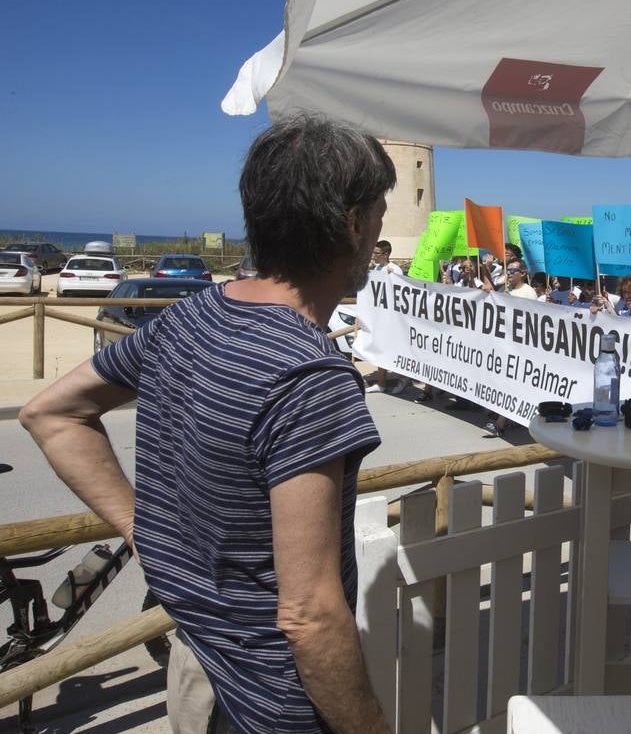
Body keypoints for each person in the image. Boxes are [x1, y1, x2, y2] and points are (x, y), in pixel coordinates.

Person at [20, 115, 394, 733]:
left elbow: (51, 412)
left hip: (197, 664)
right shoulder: (309, 375)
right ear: (353, 224)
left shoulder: (189, 316)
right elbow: (308, 614)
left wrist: (142, 526)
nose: (379, 228)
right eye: (379, 211)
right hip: (275, 703)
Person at [366, 240, 406, 395]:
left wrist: (391, 278)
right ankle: (381, 383)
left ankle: (403, 378)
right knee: (380, 349)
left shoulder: (394, 269)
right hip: (379, 316)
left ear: (386, 254)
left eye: (376, 253)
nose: (373, 256)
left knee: (394, 349)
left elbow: (400, 291)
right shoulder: (377, 268)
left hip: (392, 318)